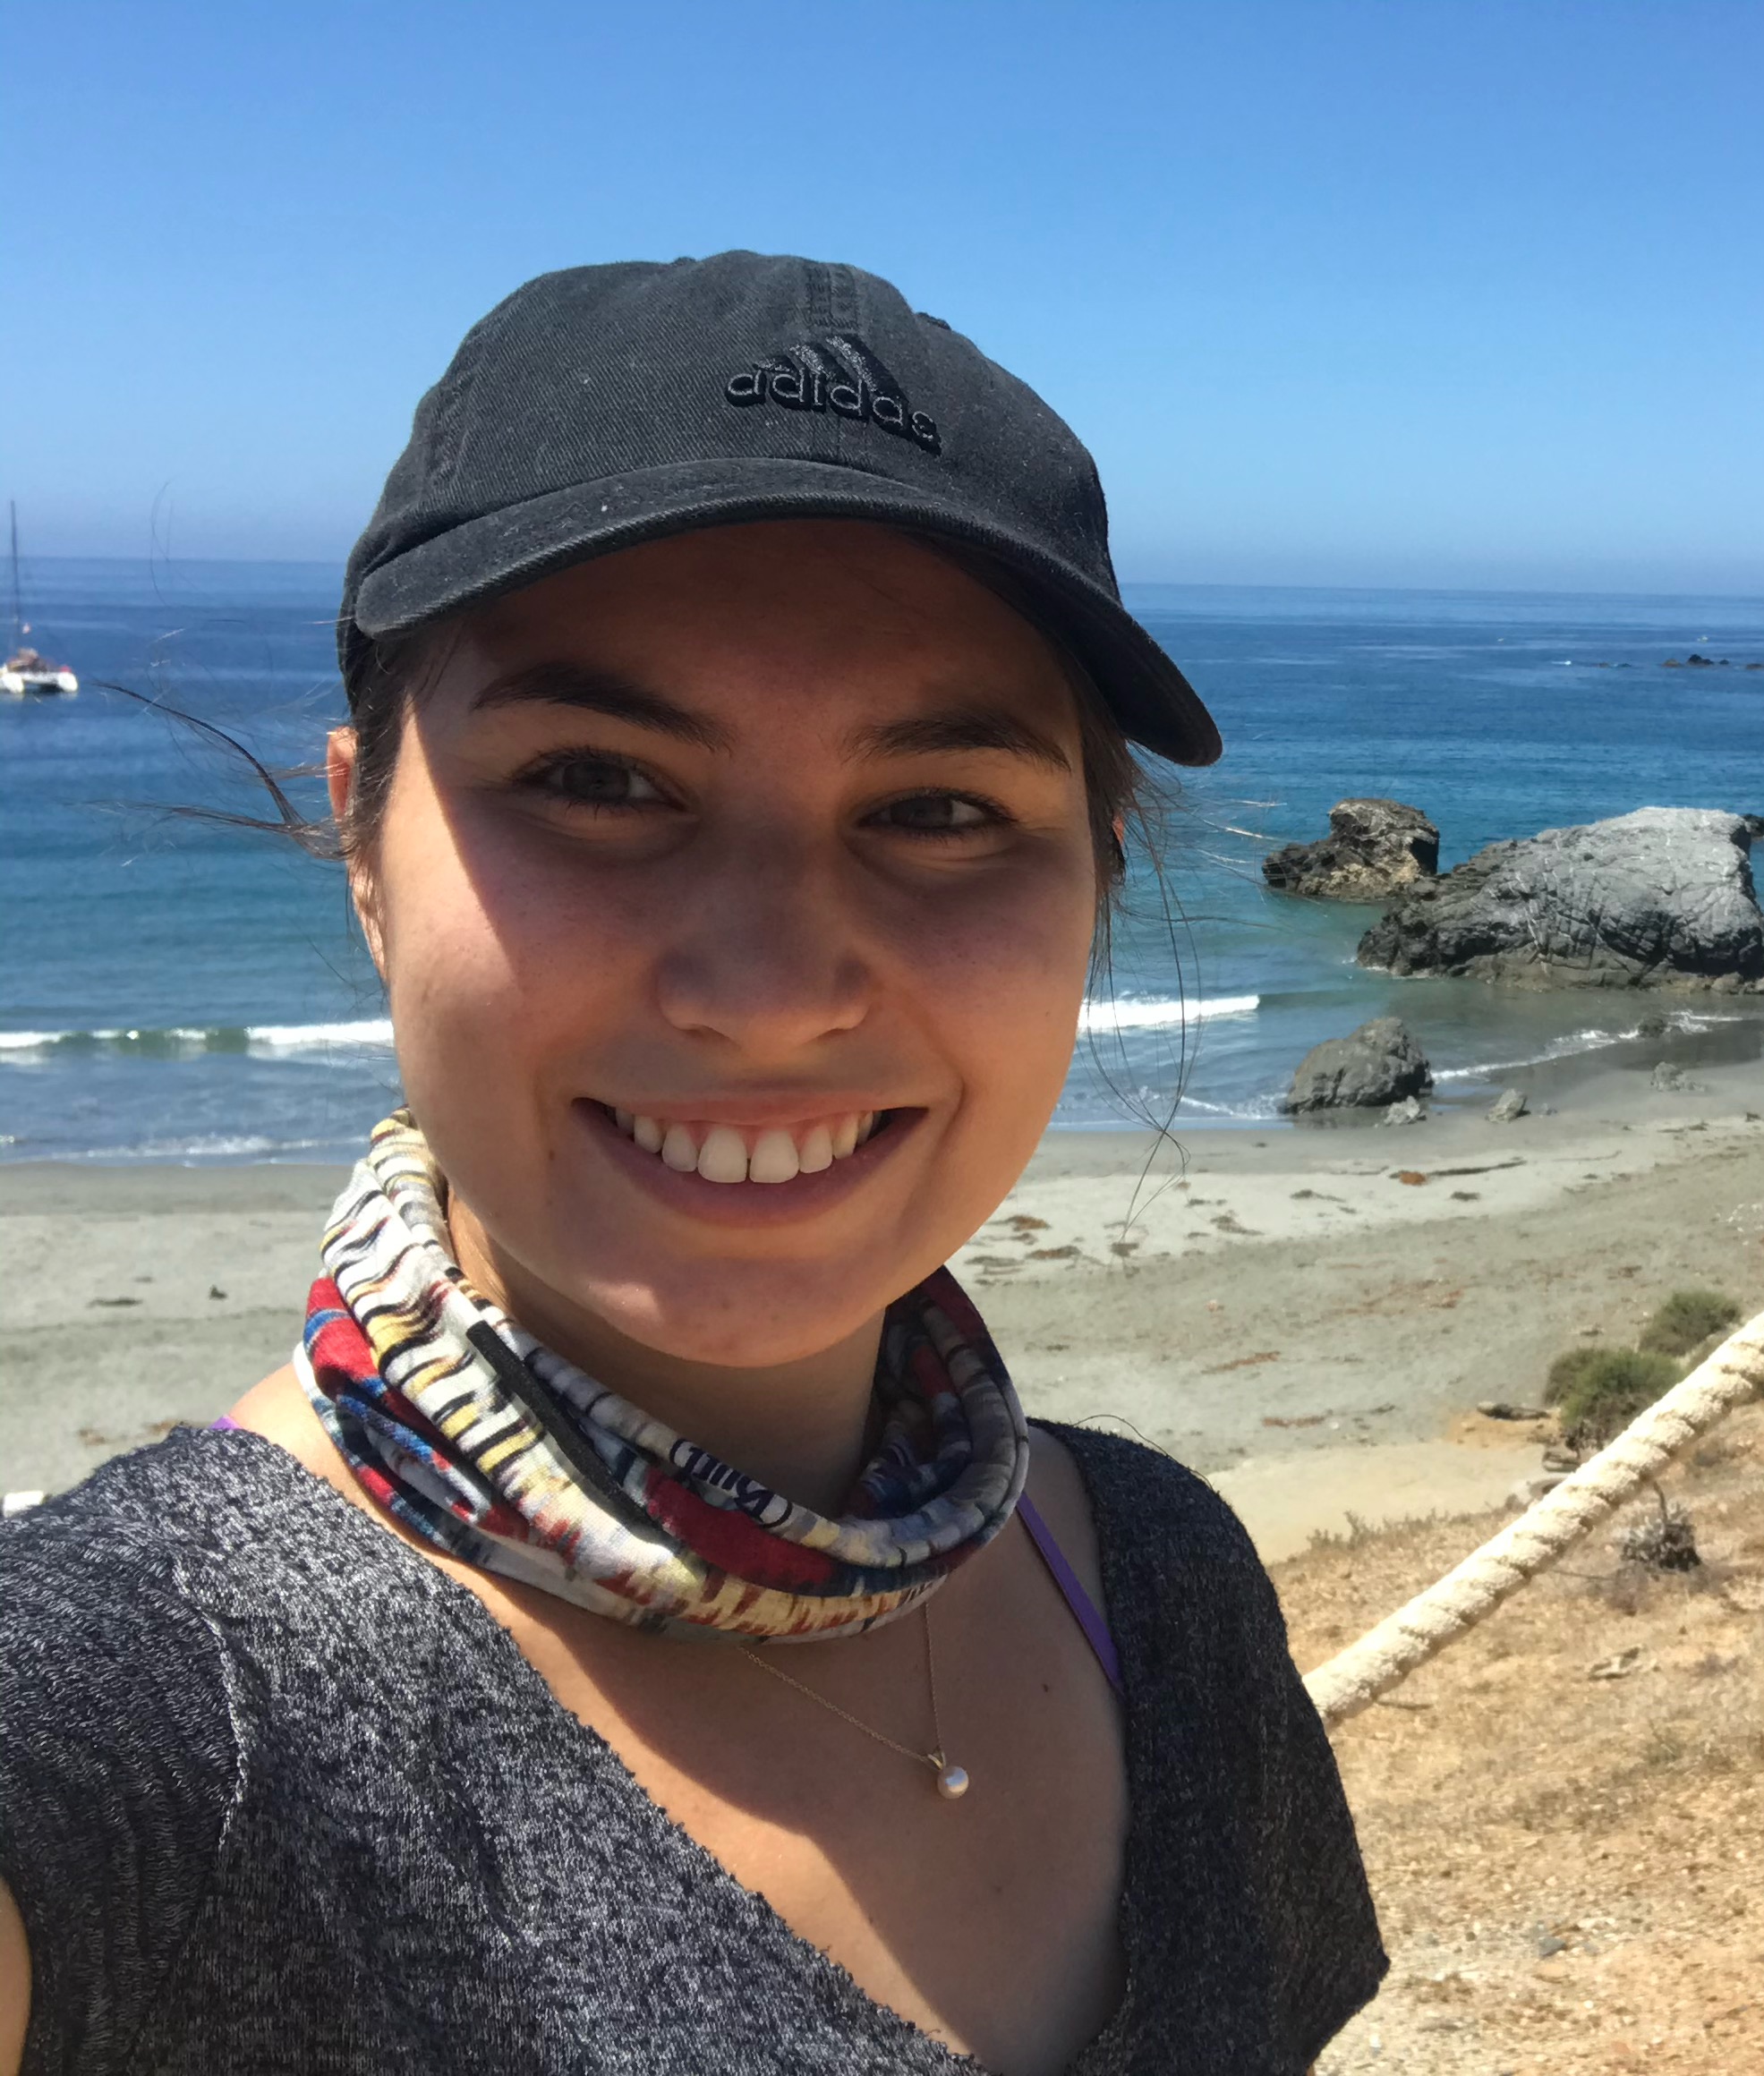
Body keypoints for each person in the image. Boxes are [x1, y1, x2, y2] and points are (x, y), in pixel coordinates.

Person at [0, 253, 1385, 2075]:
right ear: (362, 836)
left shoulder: (1158, 1583)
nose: (770, 990)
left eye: (941, 810)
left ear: (1097, 883)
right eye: (597, 777)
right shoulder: (151, 1707)